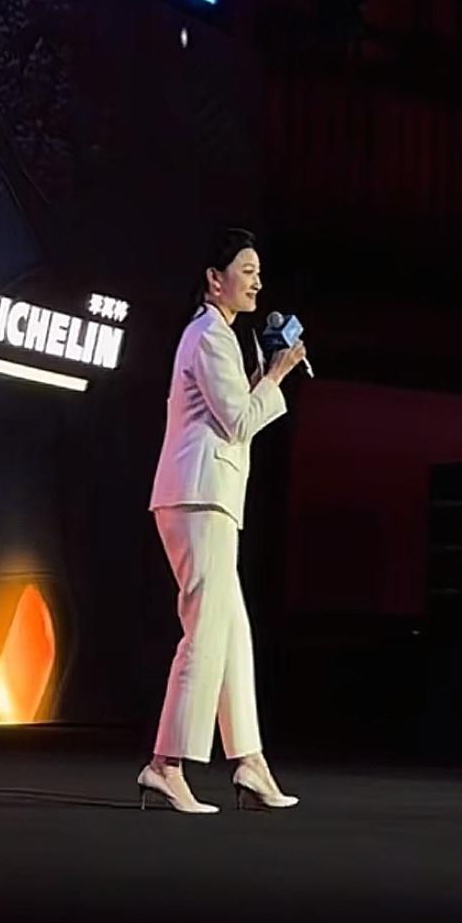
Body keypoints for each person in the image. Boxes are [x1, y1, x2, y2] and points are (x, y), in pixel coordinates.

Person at [138, 228, 306, 814]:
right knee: (206, 633)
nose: (257, 281)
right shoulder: (209, 335)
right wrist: (276, 376)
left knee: (233, 633)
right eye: (246, 270)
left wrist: (266, 375)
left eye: (259, 271)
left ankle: (249, 762)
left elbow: (233, 414)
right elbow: (237, 421)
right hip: (198, 498)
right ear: (215, 279)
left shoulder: (222, 337)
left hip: (209, 498)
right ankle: (166, 764)